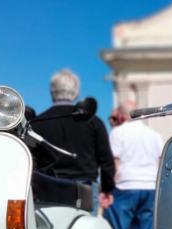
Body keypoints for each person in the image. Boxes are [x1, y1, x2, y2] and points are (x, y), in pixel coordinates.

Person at [31, 68, 115, 212]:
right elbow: (106, 160)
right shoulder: (94, 122)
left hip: (48, 188)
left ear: (52, 92)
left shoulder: (37, 123)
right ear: (76, 92)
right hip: (85, 189)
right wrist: (107, 189)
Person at [105, 103, 163, 229]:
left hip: (125, 186)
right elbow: (159, 161)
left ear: (121, 115)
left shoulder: (118, 133)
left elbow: (115, 162)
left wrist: (108, 187)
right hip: (150, 186)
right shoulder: (154, 135)